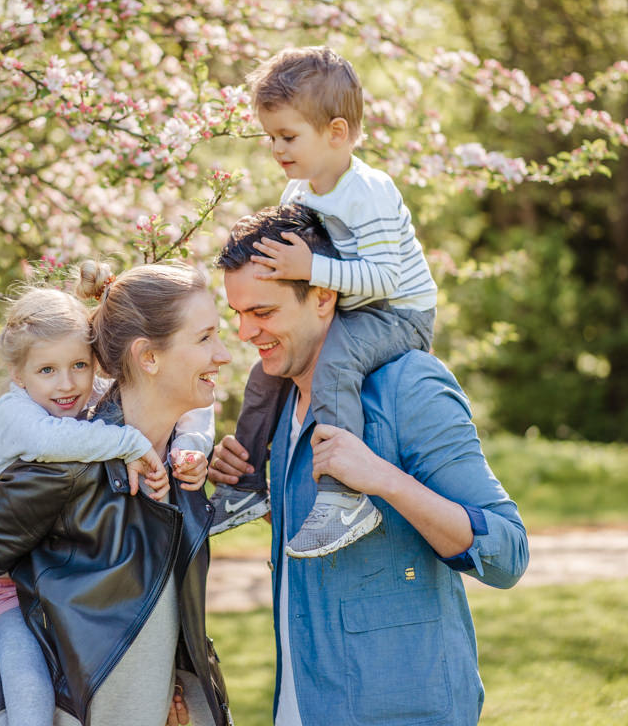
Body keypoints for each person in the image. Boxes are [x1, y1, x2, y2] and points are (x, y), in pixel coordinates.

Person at [210, 205, 528, 725]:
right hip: (302, 707)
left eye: (262, 313)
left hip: (404, 710)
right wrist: (260, 498)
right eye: (238, 314)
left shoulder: (410, 386)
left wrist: (382, 479)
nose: (245, 333)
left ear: (323, 295)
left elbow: (508, 553)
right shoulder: (280, 406)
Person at [0, 261, 235, 726]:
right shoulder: (67, 466)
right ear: (148, 358)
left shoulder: (178, 459)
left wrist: (170, 682)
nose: (225, 354)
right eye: (205, 337)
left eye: (77, 366)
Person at [207, 46, 439, 559]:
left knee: (334, 362)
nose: (276, 148)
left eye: (288, 136)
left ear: (336, 132)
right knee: (263, 376)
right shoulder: (299, 192)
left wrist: (310, 269)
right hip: (349, 305)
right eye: (270, 137)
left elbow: (386, 277)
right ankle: (244, 484)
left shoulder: (368, 191)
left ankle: (343, 494)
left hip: (398, 312)